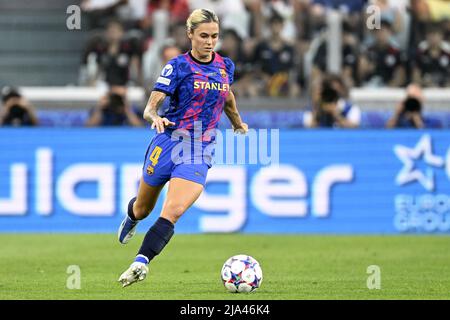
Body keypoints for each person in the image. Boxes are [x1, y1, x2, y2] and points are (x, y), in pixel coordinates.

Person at [117, 8, 248, 287]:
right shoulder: (177, 66)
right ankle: (131, 218)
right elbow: (150, 107)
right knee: (143, 208)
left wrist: (237, 122)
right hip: (167, 141)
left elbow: (227, 97)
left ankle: (140, 262)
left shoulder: (226, 66)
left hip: (199, 148)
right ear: (190, 35)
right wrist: (155, 117)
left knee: (173, 210)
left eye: (214, 36)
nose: (210, 41)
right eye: (203, 36)